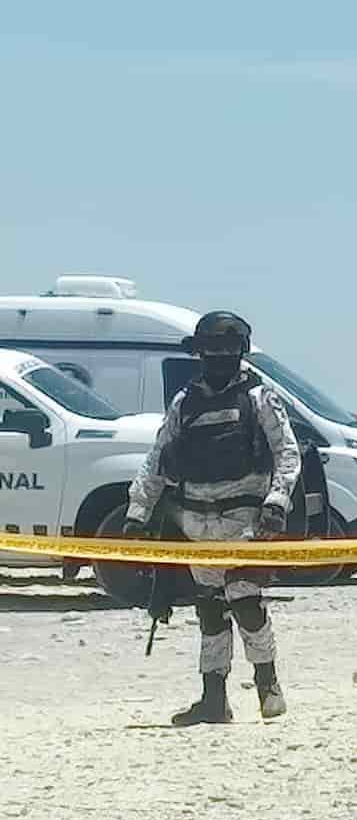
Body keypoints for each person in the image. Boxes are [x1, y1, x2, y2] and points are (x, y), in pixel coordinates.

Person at [123, 311, 302, 725]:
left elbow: (286, 453)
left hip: (245, 520)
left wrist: (276, 502)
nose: (219, 362)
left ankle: (267, 682)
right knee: (209, 609)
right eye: (211, 354)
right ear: (199, 355)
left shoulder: (260, 399)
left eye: (227, 354)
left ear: (240, 355)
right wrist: (138, 511)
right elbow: (158, 459)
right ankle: (213, 697)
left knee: (245, 599)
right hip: (195, 522)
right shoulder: (185, 403)